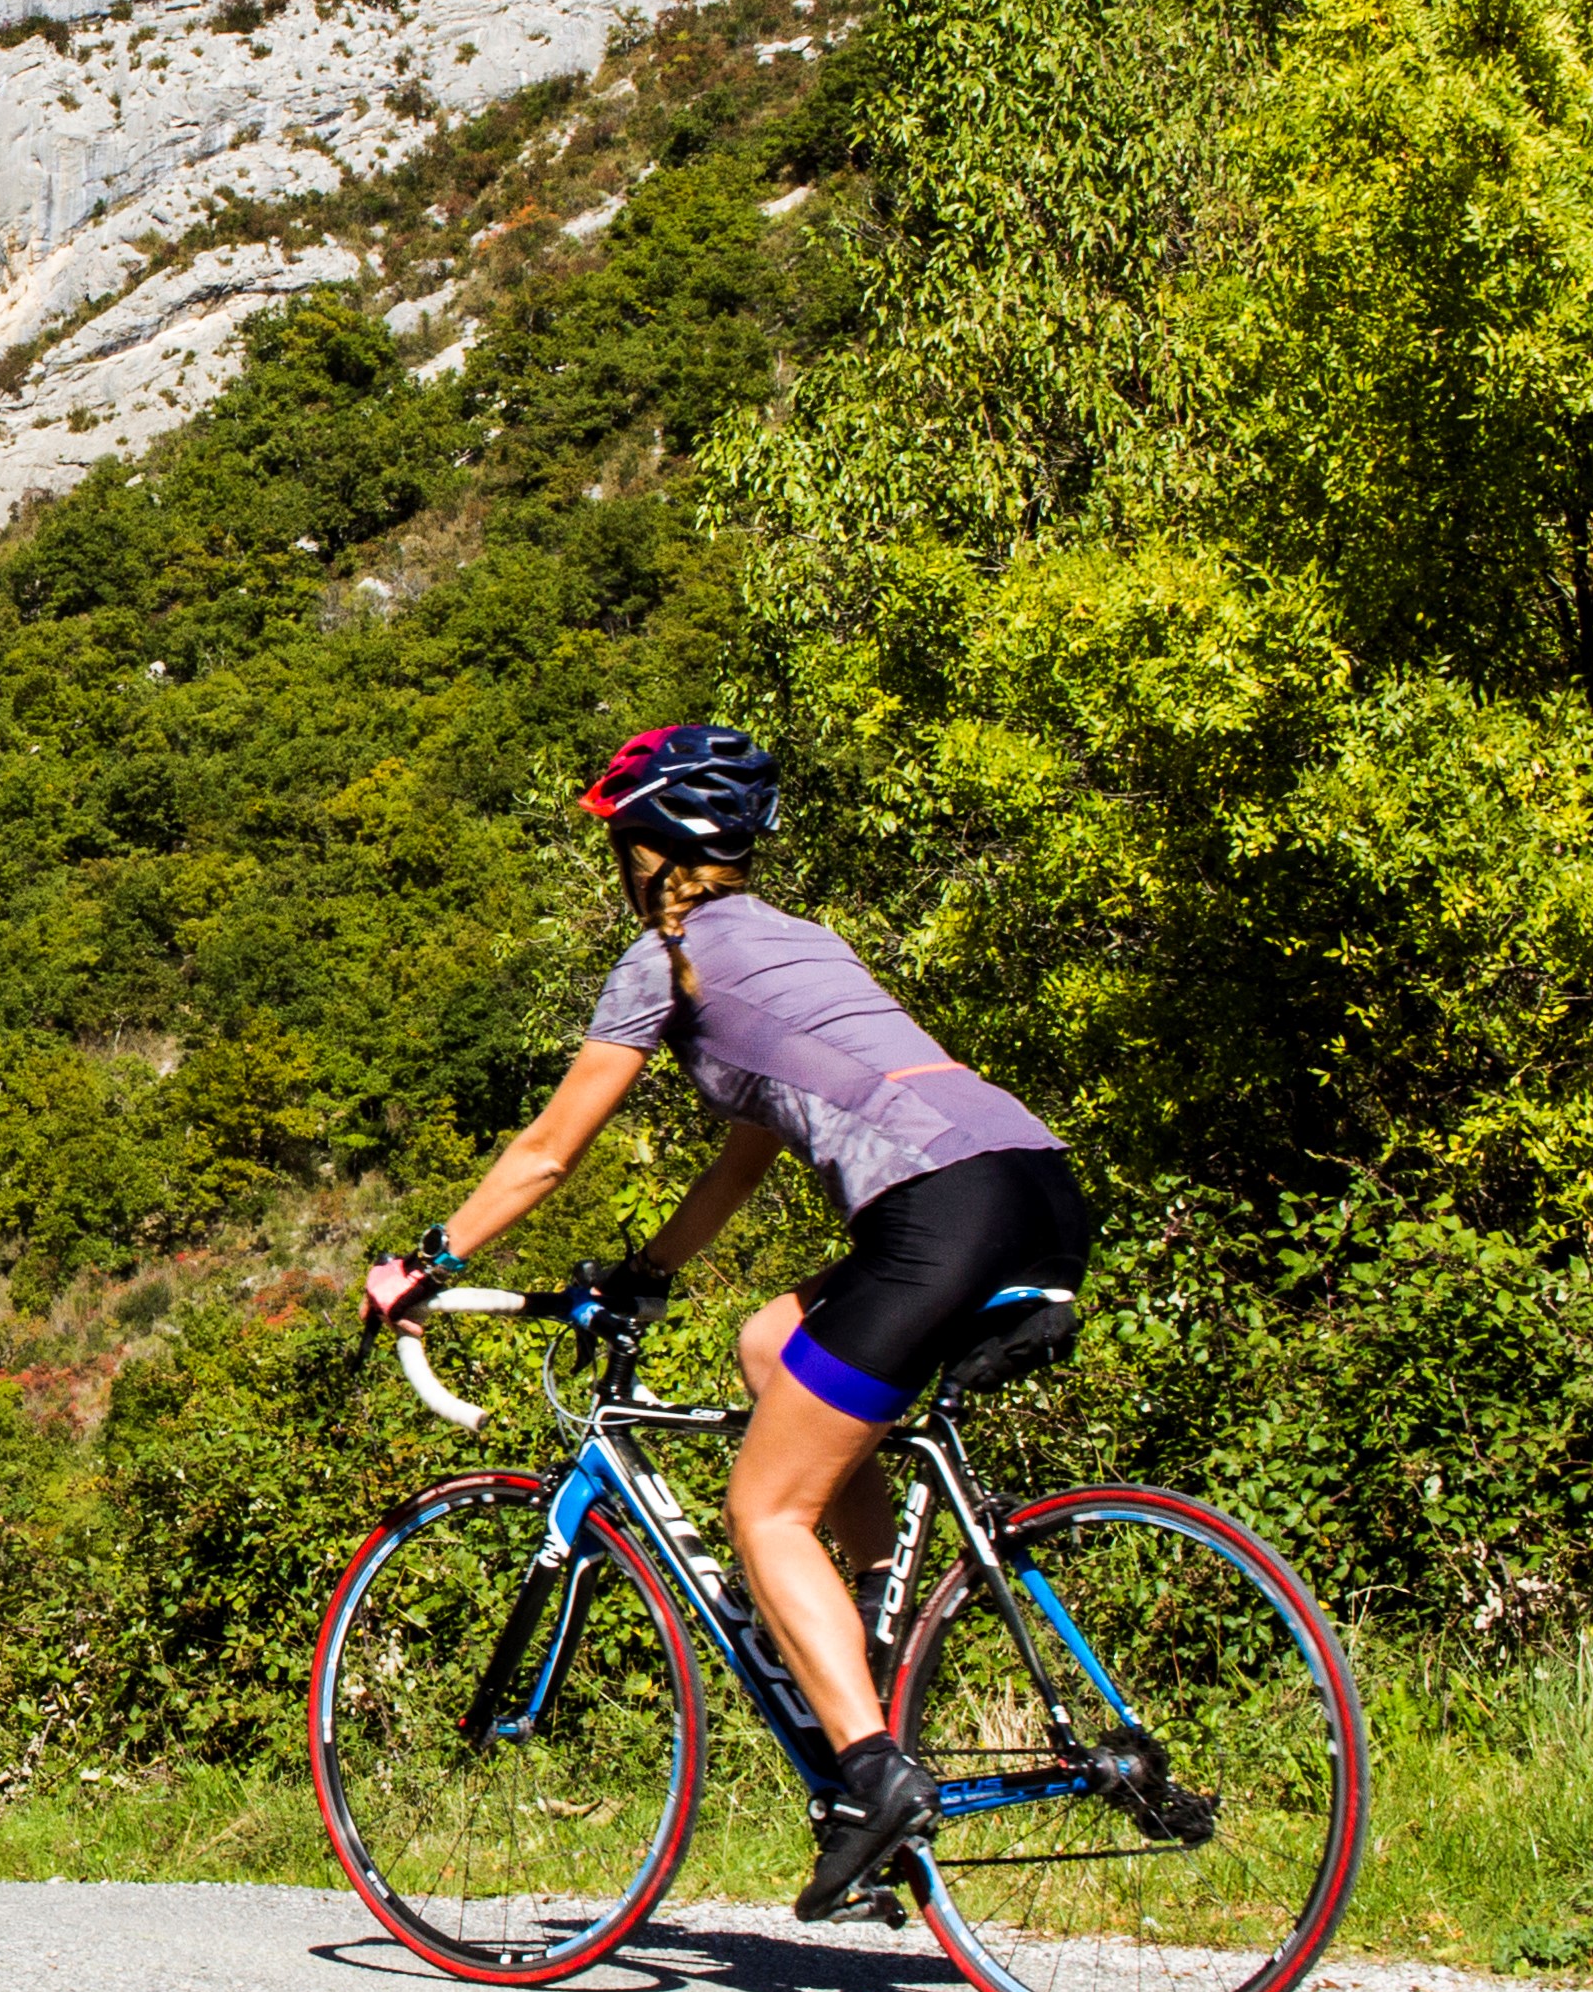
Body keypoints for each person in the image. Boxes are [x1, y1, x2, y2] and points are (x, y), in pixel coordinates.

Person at [359, 722, 1095, 1923]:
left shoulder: (669, 956)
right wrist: (647, 1268)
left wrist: (425, 1260)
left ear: (648, 850)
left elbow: (548, 1149)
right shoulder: (799, 946)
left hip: (933, 1210)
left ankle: (872, 1772)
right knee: (768, 1343)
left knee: (762, 1507)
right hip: (1033, 1184)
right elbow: (745, 1160)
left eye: (619, 841)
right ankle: (869, 1642)